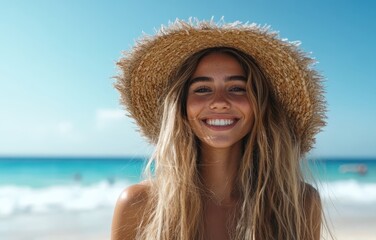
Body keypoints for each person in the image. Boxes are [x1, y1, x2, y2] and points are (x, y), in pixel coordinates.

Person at [111, 19, 326, 240]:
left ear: (260, 106)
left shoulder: (300, 203)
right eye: (203, 89)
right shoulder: (138, 204)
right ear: (182, 108)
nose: (220, 102)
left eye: (237, 88)